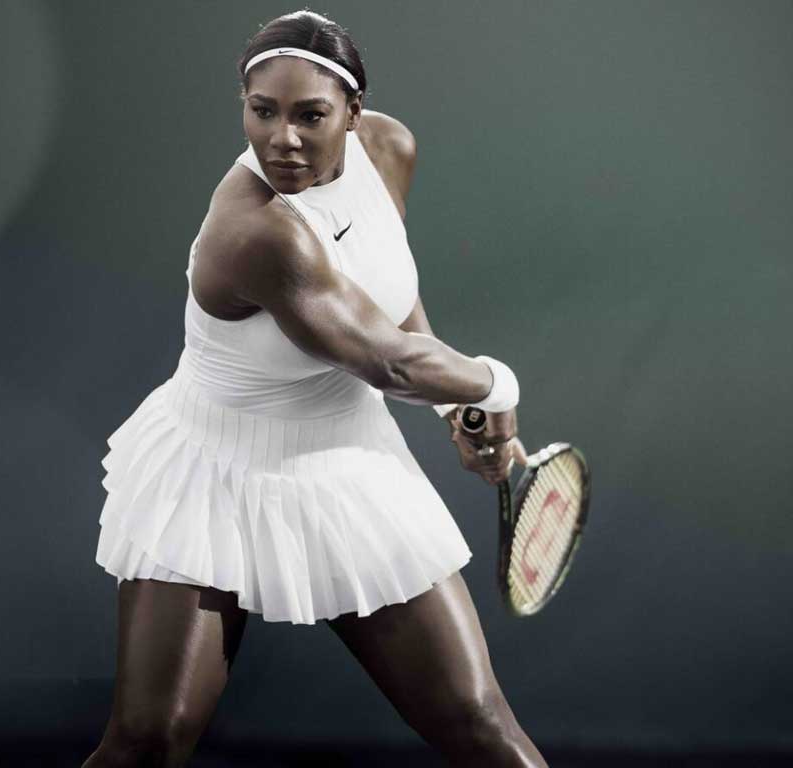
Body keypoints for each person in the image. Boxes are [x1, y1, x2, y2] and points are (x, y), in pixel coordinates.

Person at [84, 10, 547, 768]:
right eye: (262, 112)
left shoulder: (387, 149)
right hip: (212, 475)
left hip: (350, 465)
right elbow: (387, 362)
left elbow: (388, 299)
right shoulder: (258, 233)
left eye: (310, 116)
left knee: (477, 719)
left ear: (354, 113)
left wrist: (451, 403)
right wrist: (496, 385)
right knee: (149, 741)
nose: (282, 139)